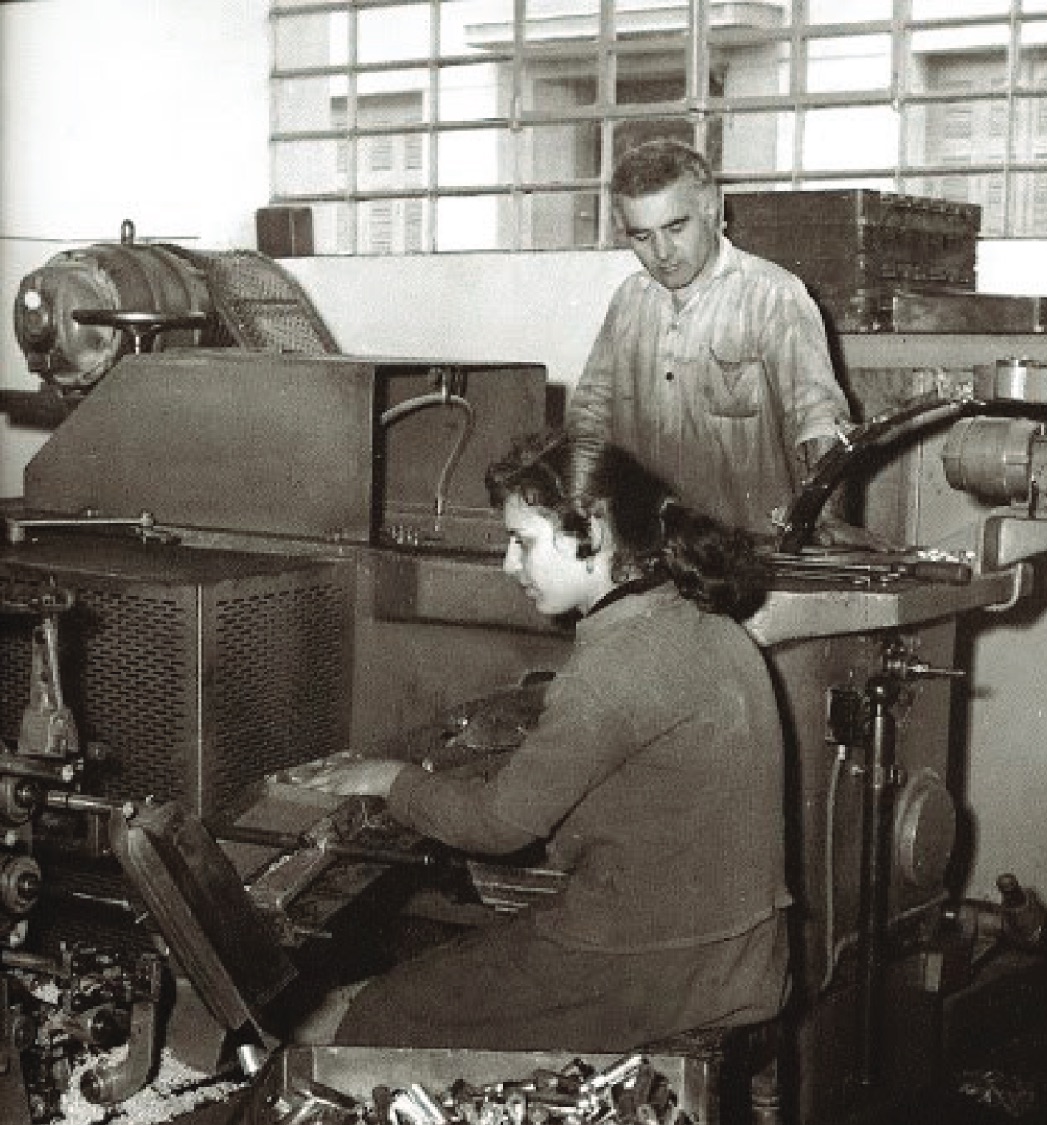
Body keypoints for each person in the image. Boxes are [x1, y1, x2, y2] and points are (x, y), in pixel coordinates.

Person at [291, 429, 790, 1050]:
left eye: (522, 541)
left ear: (596, 533)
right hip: (740, 956)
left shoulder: (615, 666)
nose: (508, 564)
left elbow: (500, 826)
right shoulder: (705, 621)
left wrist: (391, 779)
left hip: (653, 968)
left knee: (378, 1013)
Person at [568, 137, 856, 540]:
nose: (662, 252)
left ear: (711, 208)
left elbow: (820, 421)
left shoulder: (773, 297)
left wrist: (825, 525)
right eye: (641, 236)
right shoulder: (629, 301)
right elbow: (591, 416)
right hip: (647, 549)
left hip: (746, 559)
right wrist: (577, 515)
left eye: (675, 227)